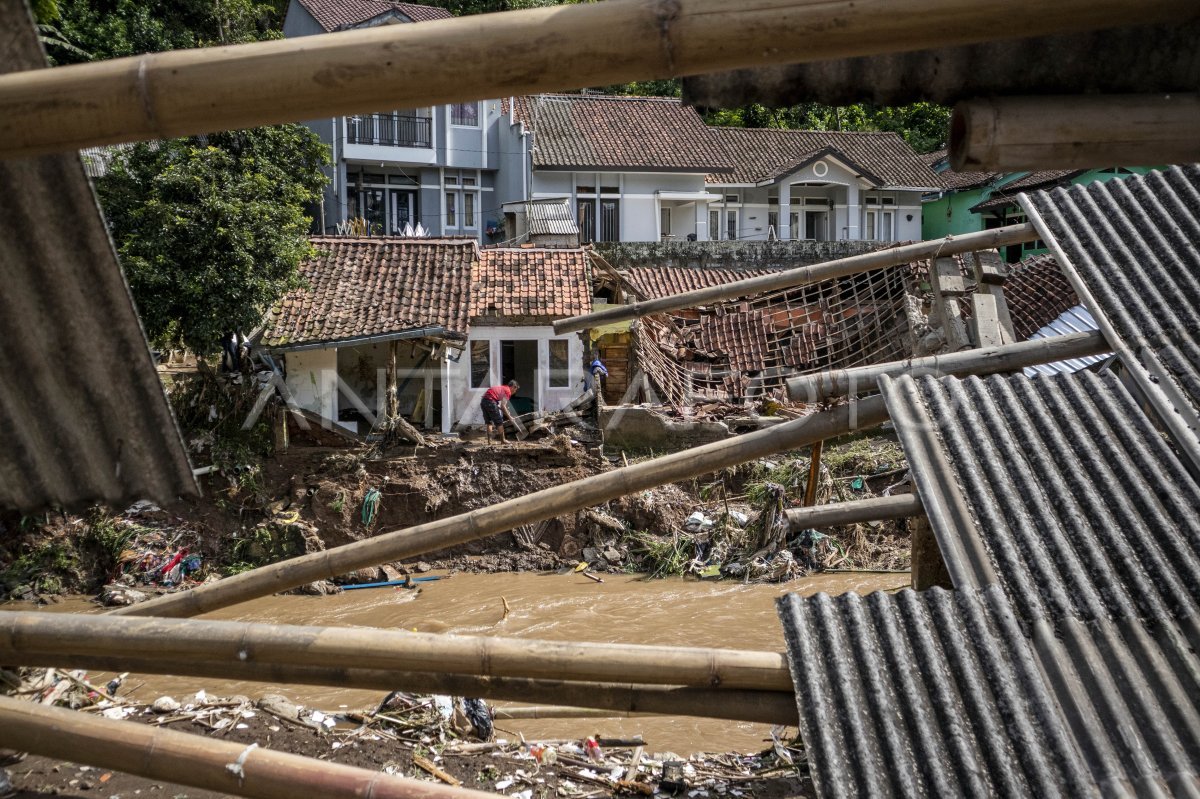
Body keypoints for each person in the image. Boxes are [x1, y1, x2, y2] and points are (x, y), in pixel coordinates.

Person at [480, 379, 519, 444]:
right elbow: (502, 406)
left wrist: (505, 411)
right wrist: (510, 417)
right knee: (499, 422)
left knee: (489, 422)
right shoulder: (508, 391)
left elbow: (499, 406)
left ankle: (489, 442)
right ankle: (503, 440)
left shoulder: (503, 388)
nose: (515, 392)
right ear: (513, 387)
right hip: (490, 401)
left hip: (484, 401)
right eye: (515, 389)